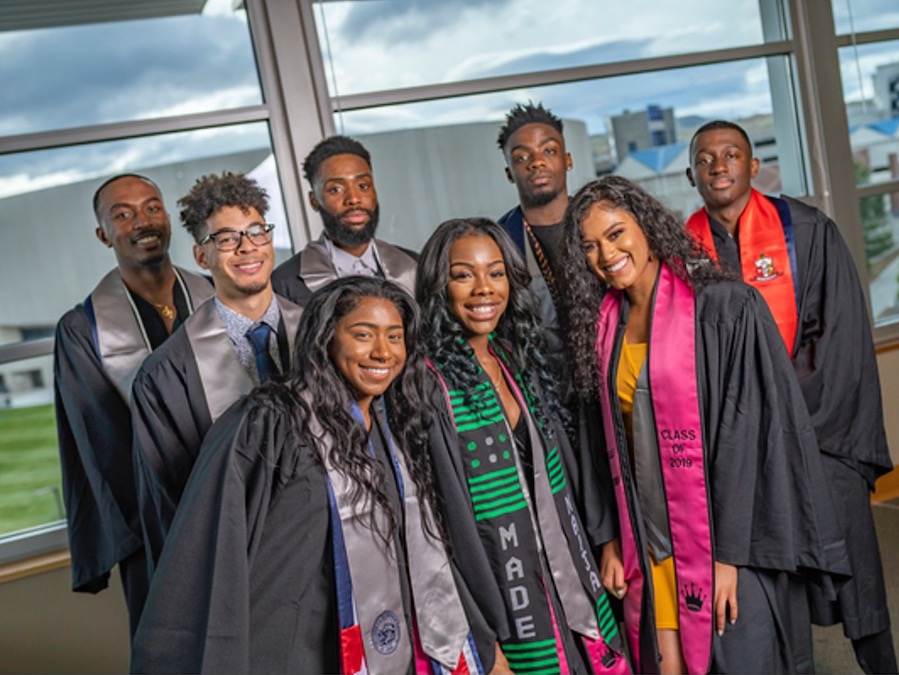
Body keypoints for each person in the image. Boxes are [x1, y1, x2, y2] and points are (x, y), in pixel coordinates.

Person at [131, 276, 502, 674]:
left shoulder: (395, 427)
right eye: (363, 334)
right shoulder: (266, 425)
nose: (383, 352)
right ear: (326, 337)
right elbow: (207, 553)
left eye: (395, 337)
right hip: (288, 651)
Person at [558, 176, 850, 674]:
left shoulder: (724, 310)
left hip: (723, 537)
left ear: (646, 226)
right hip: (648, 543)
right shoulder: (602, 326)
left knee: (739, 658)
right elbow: (596, 437)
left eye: (615, 233)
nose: (605, 254)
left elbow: (747, 438)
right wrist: (609, 537)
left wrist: (729, 556)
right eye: (589, 245)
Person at [685, 120, 897, 674]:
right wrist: (747, 431)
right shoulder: (681, 253)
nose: (719, 165)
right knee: (776, 577)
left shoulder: (805, 230)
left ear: (754, 167)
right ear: (691, 175)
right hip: (741, 446)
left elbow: (843, 337)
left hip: (820, 430)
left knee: (855, 568)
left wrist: (791, 420)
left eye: (731, 154)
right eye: (705, 159)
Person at [416, 217, 630, 674]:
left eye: (495, 273)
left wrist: (604, 540)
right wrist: (484, 642)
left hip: (567, 571)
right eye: (463, 274)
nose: (483, 289)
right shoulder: (427, 385)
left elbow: (567, 475)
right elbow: (434, 528)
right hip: (504, 594)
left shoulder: (514, 360)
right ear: (439, 285)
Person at [54, 174, 214, 635]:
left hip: (246, 501)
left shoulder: (216, 293)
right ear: (103, 234)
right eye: (122, 214)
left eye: (151, 207)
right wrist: (170, 516)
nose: (142, 221)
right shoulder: (83, 331)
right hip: (158, 528)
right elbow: (104, 450)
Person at [130, 172, 302, 574]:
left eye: (256, 231)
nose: (246, 248)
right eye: (226, 239)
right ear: (201, 256)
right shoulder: (167, 375)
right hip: (243, 566)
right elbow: (174, 506)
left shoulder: (323, 334)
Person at [271, 134, 417, 305]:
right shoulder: (285, 283)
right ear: (314, 200)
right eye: (336, 189)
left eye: (363, 186)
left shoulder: (415, 266)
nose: (354, 199)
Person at [496, 102, 572, 361]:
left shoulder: (603, 226)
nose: (537, 162)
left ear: (567, 160)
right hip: (538, 382)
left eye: (548, 150)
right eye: (522, 157)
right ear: (509, 173)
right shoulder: (498, 242)